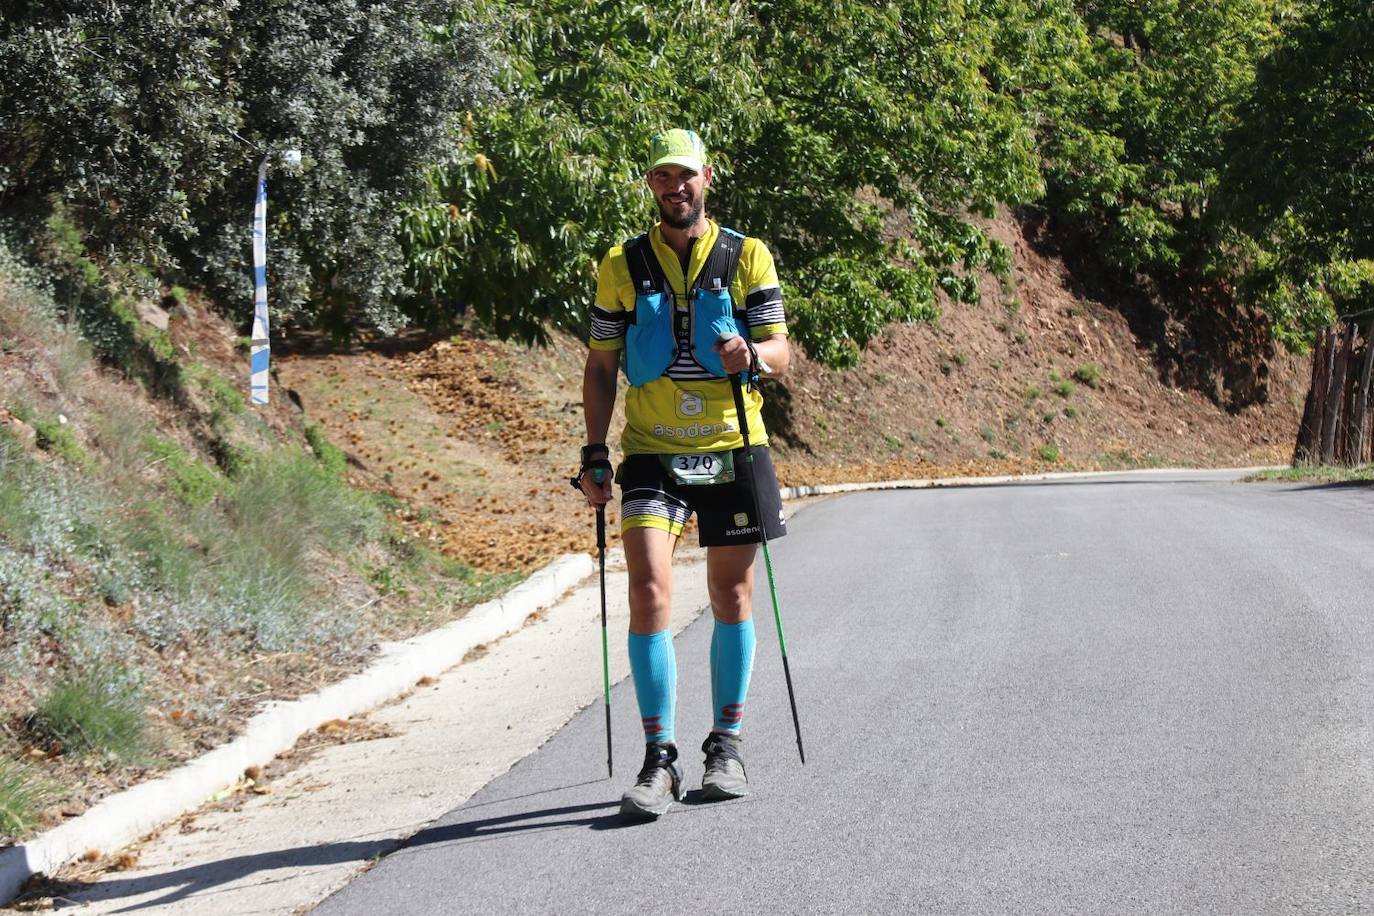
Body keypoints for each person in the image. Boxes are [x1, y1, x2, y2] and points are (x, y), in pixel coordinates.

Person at [575, 128, 791, 819]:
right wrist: (593, 452)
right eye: (663, 177)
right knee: (648, 591)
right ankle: (658, 757)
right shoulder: (622, 264)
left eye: (686, 176)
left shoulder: (746, 255)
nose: (676, 188)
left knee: (730, 593)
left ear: (707, 179)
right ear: (650, 185)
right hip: (651, 452)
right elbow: (602, 364)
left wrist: (751, 358)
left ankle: (724, 744)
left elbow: (781, 350)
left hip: (733, 445)